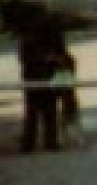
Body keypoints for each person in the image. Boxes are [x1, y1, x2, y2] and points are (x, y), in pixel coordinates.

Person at [17, 17, 66, 153]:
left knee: (38, 110)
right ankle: (43, 141)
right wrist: (49, 59)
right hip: (38, 74)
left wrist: (57, 59)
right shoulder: (33, 37)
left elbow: (62, 55)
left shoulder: (30, 36)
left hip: (41, 75)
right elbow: (25, 58)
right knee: (42, 110)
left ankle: (33, 142)